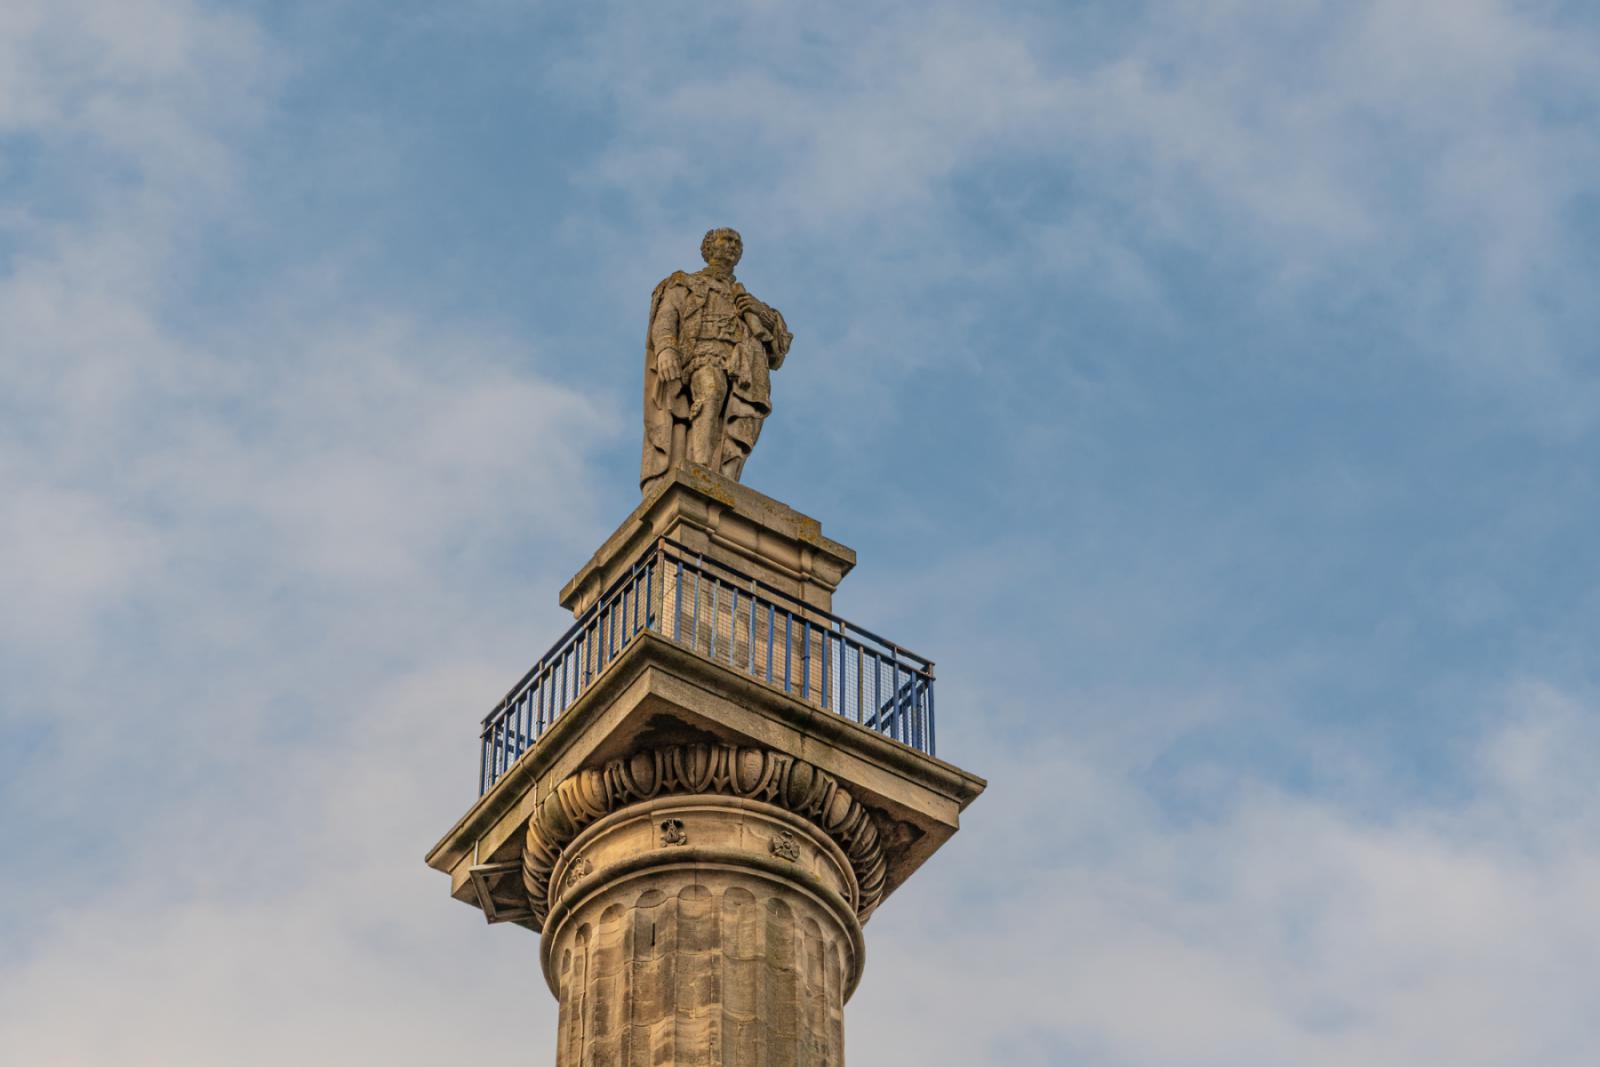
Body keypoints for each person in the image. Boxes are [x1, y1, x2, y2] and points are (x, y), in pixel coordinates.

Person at [640, 228, 792, 496]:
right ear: (709, 247)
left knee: (741, 419)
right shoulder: (684, 282)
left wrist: (759, 313)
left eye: (737, 243)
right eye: (727, 240)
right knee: (710, 392)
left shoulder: (744, 296)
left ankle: (726, 477)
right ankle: (700, 468)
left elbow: (778, 343)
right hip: (703, 355)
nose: (733, 246)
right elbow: (665, 319)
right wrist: (665, 349)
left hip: (742, 362)